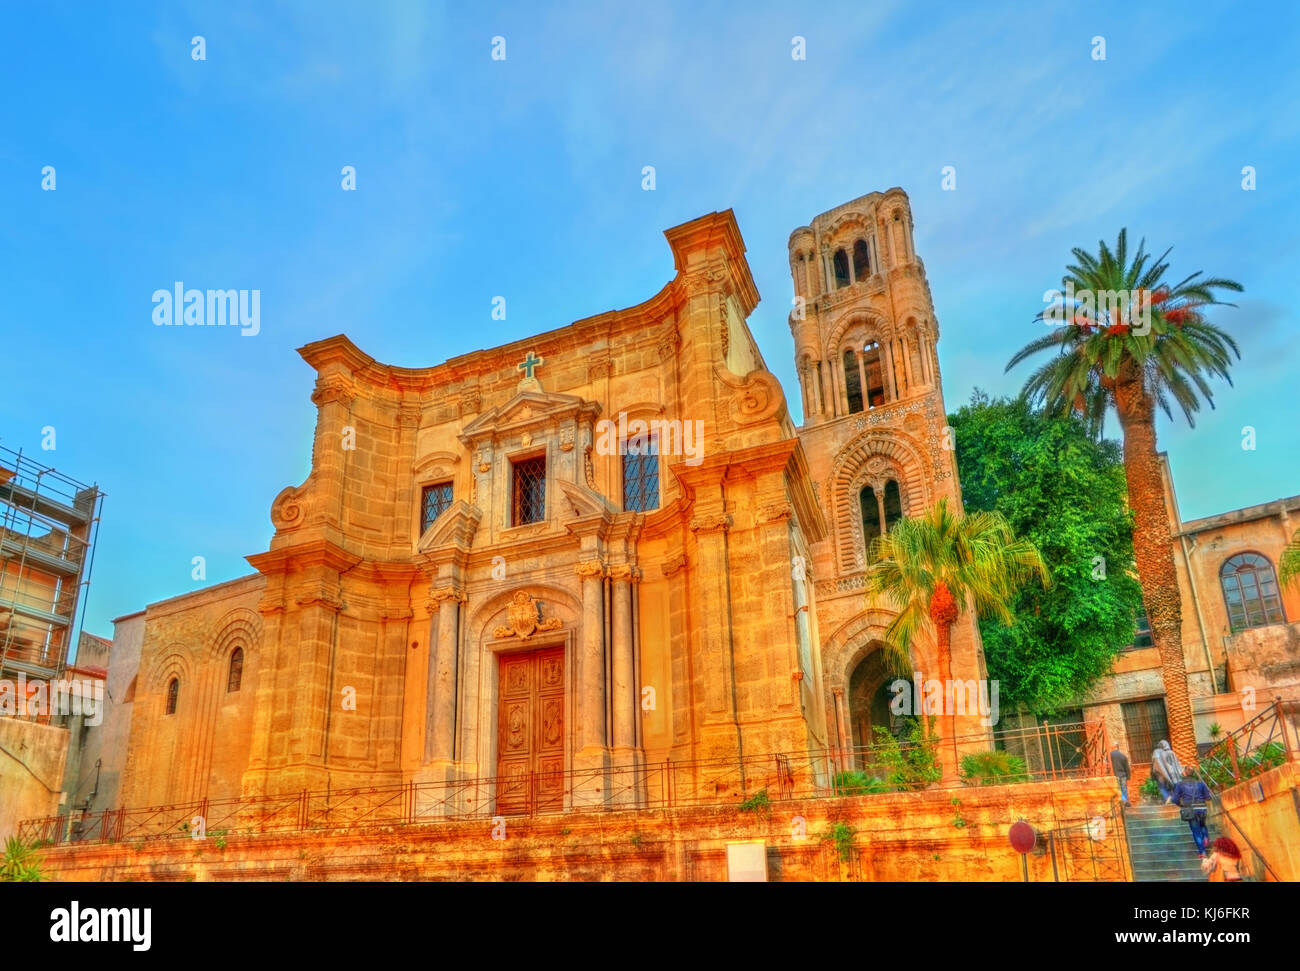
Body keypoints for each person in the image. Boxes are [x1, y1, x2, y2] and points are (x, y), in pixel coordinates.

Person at [1168, 766, 1212, 856]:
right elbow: (1208, 797)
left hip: (1190, 809)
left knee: (1196, 830)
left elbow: (1175, 799)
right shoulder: (1200, 783)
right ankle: (1206, 838)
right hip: (1202, 808)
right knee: (1203, 824)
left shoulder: (1179, 784)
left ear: (1184, 773)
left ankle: (1202, 852)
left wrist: (1182, 805)